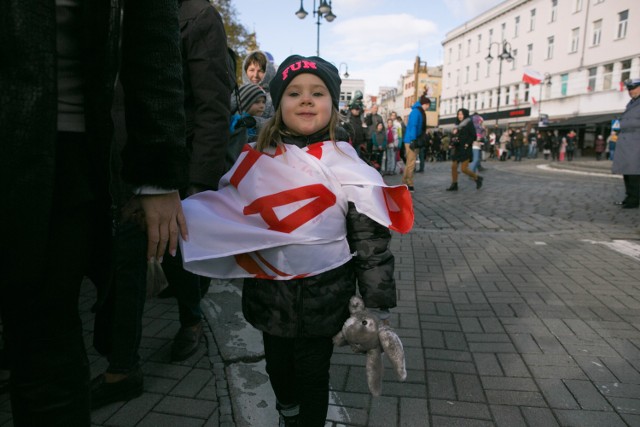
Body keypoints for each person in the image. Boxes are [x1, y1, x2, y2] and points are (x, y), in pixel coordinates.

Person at [178, 55, 413, 426]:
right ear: (278, 104)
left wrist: (376, 304)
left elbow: (370, 242)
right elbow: (228, 212)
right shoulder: (256, 158)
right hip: (270, 296)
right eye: (294, 93)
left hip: (325, 296)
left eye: (317, 93)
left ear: (332, 104)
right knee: (277, 369)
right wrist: (179, 216)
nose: (306, 100)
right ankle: (288, 414)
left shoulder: (349, 164)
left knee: (313, 375)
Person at [1, 1, 189, 425]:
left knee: (46, 342)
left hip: (53, 154)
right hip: (61, 148)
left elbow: (154, 43)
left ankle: (131, 359)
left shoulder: (202, 22)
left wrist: (159, 173)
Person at [612, 78, 640, 209]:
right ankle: (629, 196)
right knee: (627, 171)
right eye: (629, 89)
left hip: (636, 141)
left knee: (634, 171)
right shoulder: (631, 103)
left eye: (633, 88)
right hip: (627, 141)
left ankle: (634, 199)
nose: (630, 91)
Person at [446, 108, 483, 191]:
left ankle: (477, 178)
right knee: (454, 166)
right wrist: (452, 141)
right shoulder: (456, 124)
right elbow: (453, 136)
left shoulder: (469, 123)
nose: (459, 116)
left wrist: (467, 143)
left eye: (461, 114)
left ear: (465, 114)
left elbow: (473, 135)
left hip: (465, 149)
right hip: (457, 148)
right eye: (458, 114)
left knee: (464, 169)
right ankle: (454, 184)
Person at [402, 94, 430, 192]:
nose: (428, 108)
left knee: (410, 162)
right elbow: (413, 126)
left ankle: (405, 182)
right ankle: (409, 184)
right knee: (411, 163)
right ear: (425, 104)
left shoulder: (418, 111)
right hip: (411, 140)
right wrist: (413, 140)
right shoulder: (416, 112)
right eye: (428, 105)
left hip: (412, 139)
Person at [242, 50, 277, 119]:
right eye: (252, 70)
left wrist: (256, 123)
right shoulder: (238, 94)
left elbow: (275, 123)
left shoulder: (274, 97)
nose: (255, 75)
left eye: (260, 71)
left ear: (267, 72)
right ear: (245, 71)